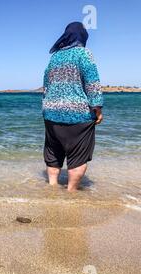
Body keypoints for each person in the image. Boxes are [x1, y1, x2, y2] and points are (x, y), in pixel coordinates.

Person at [42, 22, 103, 192]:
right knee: (77, 157)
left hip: (51, 113)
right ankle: (71, 194)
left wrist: (48, 105)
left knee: (53, 153)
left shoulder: (54, 57)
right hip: (79, 115)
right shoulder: (83, 54)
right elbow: (92, 82)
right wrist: (97, 108)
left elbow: (46, 85)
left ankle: (52, 190)